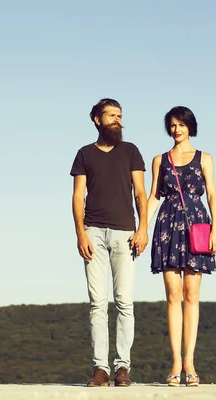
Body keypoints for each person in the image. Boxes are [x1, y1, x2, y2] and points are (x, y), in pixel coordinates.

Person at [70, 98, 148, 387]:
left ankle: (122, 368)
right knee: (97, 304)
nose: (117, 119)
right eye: (111, 115)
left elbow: (140, 192)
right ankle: (100, 369)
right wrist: (80, 234)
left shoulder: (131, 151)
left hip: (125, 234)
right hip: (93, 232)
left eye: (120, 115)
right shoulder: (84, 154)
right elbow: (78, 196)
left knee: (125, 302)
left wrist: (143, 229)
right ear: (97, 119)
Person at [146, 106, 216, 387]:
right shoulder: (159, 160)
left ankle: (190, 361)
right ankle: (176, 362)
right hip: (167, 224)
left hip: (197, 226)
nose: (176, 129)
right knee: (172, 294)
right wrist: (142, 227)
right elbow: (155, 197)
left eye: (181, 124)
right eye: (172, 125)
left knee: (192, 294)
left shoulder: (205, 158)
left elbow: (212, 194)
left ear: (191, 126)